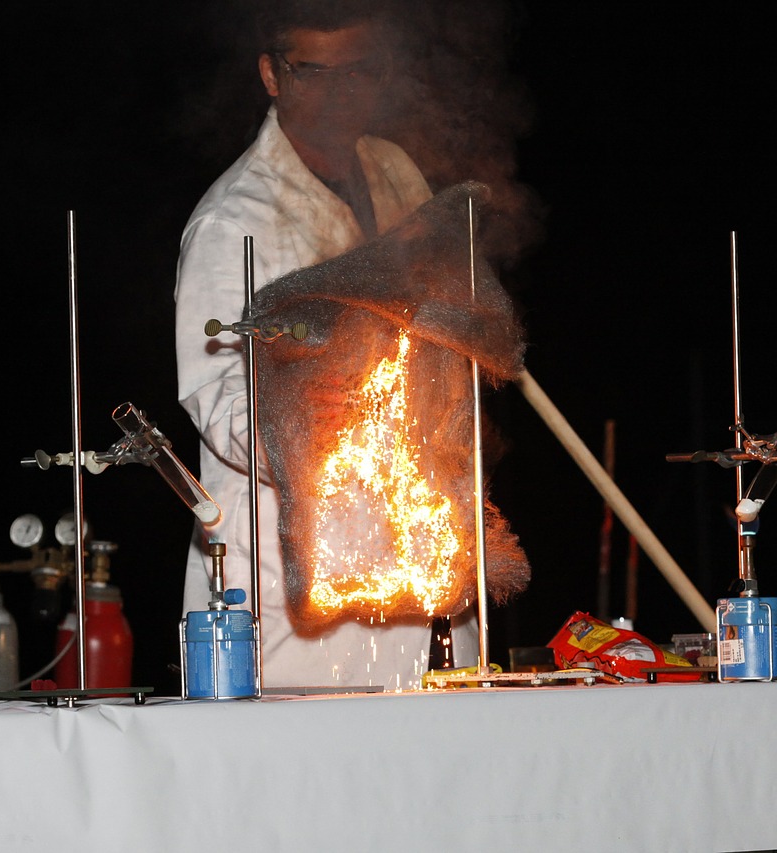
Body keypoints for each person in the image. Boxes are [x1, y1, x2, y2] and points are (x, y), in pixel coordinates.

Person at [174, 0, 523, 690]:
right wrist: (312, 428)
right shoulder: (233, 218)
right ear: (272, 76)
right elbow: (215, 398)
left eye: (360, 71)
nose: (342, 94)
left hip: (419, 538)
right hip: (298, 567)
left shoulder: (393, 171)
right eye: (316, 74)